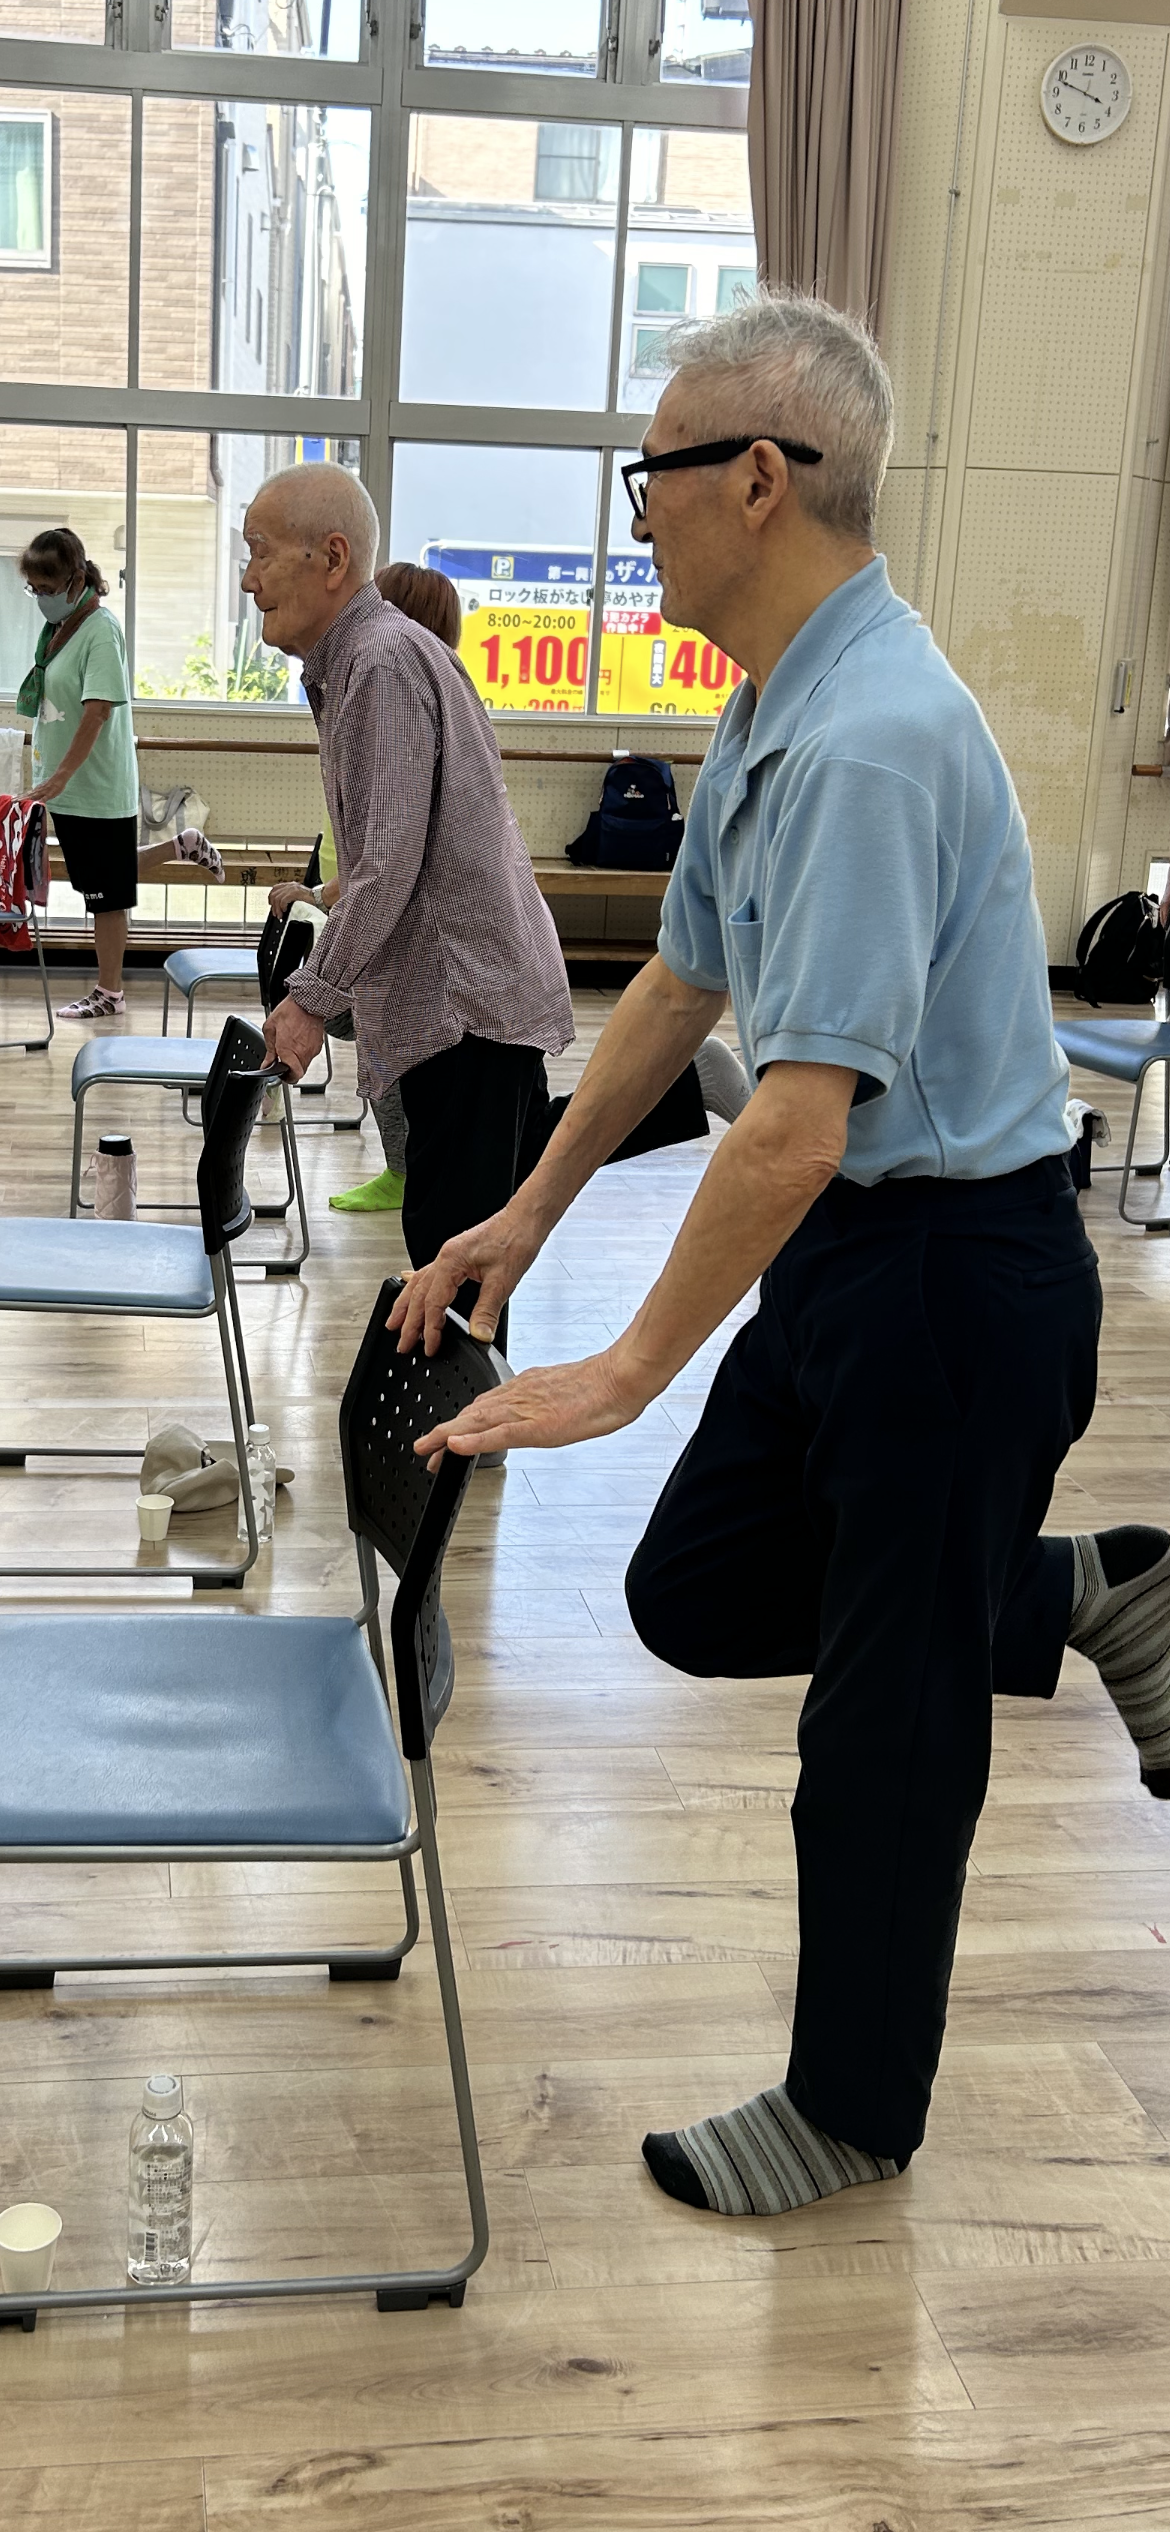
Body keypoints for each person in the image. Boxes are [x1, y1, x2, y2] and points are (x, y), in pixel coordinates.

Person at [389, 289, 1168, 2225]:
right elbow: (681, 981)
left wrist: (618, 1368)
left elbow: (794, 1123)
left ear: (758, 478)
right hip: (861, 1261)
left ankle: (851, 2109)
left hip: (956, 1278)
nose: (634, 510)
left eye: (649, 473)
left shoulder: (870, 741)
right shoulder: (774, 702)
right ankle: (1078, 1589)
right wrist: (528, 1211)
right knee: (697, 1584)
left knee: (883, 1726)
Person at [248, 464, 729, 1353]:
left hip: (463, 999)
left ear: (332, 557)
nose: (249, 579)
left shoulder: (379, 663)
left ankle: (459, 1424)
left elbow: (386, 867)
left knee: (453, 1254)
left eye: (260, 553)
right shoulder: (363, 661)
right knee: (491, 1189)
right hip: (466, 994)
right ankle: (685, 1089)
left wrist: (311, 999)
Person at [265, 562, 466, 1214]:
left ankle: (404, 1168)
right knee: (503, 1143)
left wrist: (313, 996)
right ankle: (404, 1168)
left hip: (430, 955)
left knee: (515, 1145)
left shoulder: (392, 681)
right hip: (396, 936)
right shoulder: (381, 687)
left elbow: (387, 865)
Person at [18, 529, 221, 1024]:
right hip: (70, 787)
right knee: (103, 877)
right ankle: (182, 845)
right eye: (34, 589)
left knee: (106, 898)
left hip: (93, 786)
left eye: (48, 588)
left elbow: (97, 712)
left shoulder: (100, 629)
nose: (41, 598)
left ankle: (110, 992)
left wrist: (60, 777)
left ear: (76, 580)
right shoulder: (61, 629)